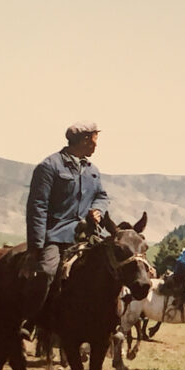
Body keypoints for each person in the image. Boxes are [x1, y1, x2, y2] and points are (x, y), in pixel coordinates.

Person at [20, 121, 109, 341]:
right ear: (86, 139)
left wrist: (98, 210)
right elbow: (37, 207)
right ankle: (31, 319)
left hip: (88, 235)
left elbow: (102, 196)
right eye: (96, 138)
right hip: (56, 235)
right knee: (48, 271)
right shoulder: (49, 166)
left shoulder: (92, 170)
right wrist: (36, 246)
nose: (97, 143)